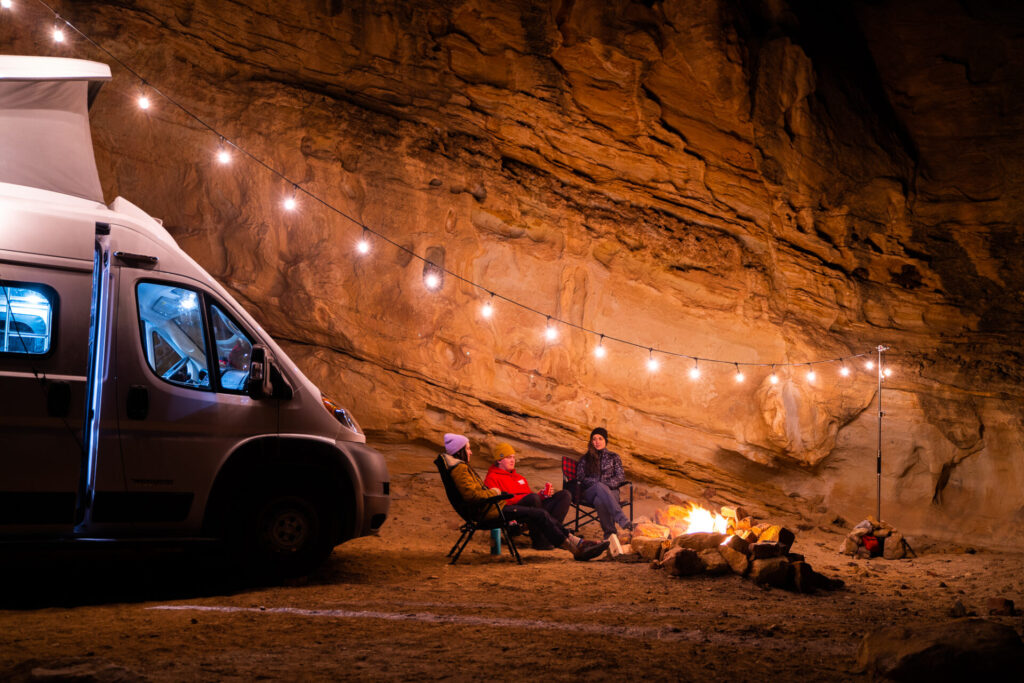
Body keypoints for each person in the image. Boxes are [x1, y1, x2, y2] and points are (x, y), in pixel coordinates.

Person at [441, 433, 608, 561]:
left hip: (497, 508)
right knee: (536, 507)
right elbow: (472, 495)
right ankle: (575, 545)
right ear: (460, 451)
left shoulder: (516, 476)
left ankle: (574, 543)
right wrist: (495, 493)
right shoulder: (463, 470)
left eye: (514, 457)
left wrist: (542, 495)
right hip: (494, 511)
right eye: (468, 448)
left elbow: (474, 493)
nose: (470, 452)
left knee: (562, 496)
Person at [483, 442, 572, 549]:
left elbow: (530, 497)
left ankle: (550, 536)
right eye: (508, 457)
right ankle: (539, 540)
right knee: (533, 498)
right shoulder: (492, 478)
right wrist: (532, 497)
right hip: (515, 513)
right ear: (499, 460)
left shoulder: (519, 478)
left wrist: (543, 494)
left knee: (565, 495)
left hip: (533, 509)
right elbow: (499, 502)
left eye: (513, 457)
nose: (512, 460)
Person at [575, 427, 634, 539]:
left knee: (599, 500)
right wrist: (598, 484)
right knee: (598, 486)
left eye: (600, 439)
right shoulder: (585, 459)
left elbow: (620, 477)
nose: (597, 442)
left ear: (605, 441)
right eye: (594, 439)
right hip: (590, 492)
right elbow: (580, 477)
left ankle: (610, 535)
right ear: (591, 442)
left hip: (611, 492)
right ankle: (622, 520)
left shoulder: (614, 457)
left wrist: (605, 485)